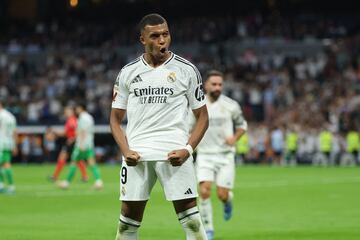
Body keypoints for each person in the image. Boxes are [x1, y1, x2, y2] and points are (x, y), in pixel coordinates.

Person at [110, 13, 209, 240]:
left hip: (174, 153)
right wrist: (125, 151)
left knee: (192, 221)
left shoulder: (187, 70)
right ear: (143, 40)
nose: (162, 40)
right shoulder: (128, 72)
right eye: (155, 36)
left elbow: (203, 117)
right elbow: (115, 120)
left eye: (165, 34)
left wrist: (188, 150)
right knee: (126, 224)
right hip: (137, 155)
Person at [192, 70, 247, 240]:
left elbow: (242, 125)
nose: (217, 87)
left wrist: (235, 138)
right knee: (204, 191)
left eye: (220, 84)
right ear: (206, 85)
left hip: (225, 156)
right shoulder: (197, 106)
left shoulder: (231, 105)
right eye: (214, 84)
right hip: (205, 155)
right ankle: (208, 230)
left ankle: (228, 201)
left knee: (222, 194)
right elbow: (188, 129)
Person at [58, 103, 103, 189]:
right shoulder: (90, 117)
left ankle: (66, 182)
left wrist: (81, 144)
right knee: (91, 163)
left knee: (74, 162)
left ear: (81, 108)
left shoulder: (82, 118)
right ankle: (99, 181)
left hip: (81, 144)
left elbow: (82, 131)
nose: (76, 110)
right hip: (89, 144)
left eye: (77, 108)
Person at [49, 106, 88, 182]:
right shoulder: (70, 120)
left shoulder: (72, 120)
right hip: (73, 142)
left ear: (72, 112)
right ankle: (84, 176)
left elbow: (77, 130)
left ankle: (55, 176)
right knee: (78, 159)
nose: (66, 113)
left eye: (67, 112)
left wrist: (72, 138)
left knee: (63, 157)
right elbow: (66, 133)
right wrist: (56, 132)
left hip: (72, 142)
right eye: (65, 112)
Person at [0, 101, 17, 194]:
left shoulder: (1, 115)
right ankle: (1, 185)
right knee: (3, 164)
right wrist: (15, 145)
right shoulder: (11, 116)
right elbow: (15, 131)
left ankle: (11, 186)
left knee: (6, 164)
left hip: (1, 142)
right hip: (9, 142)